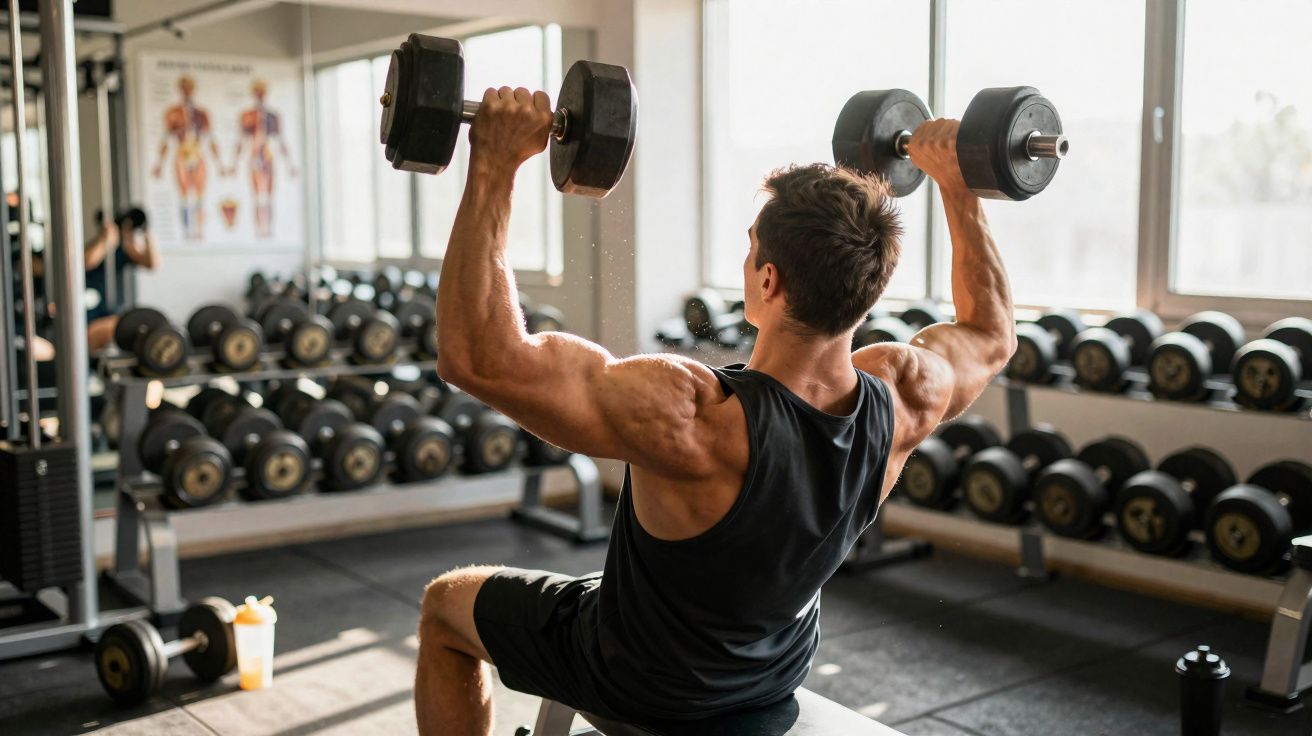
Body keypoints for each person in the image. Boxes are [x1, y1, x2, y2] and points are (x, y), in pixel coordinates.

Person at [414, 87, 1016, 735]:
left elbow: (476, 357)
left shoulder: (690, 416)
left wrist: (495, 163)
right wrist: (958, 189)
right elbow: (991, 331)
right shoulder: (904, 395)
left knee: (446, 607)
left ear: (767, 280)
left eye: (752, 247)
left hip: (642, 681)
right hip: (771, 669)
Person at [152, 75, 222, 240]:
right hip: (182, 153)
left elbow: (211, 138)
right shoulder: (173, 113)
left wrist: (220, 164)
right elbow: (165, 139)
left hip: (198, 153)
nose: (188, 92)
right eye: (185, 89)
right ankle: (186, 231)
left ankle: (198, 229)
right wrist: (159, 164)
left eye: (190, 88)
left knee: (199, 194)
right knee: (184, 195)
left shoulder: (202, 113)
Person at [226, 79, 297, 238]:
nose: (260, 95)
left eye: (262, 92)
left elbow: (281, 141)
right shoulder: (247, 115)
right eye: (257, 92)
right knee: (257, 197)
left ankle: (269, 228)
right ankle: (258, 228)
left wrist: (289, 165)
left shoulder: (273, 116)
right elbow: (241, 141)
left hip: (268, 156)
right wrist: (234, 165)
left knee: (269, 197)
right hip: (254, 156)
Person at [84, 208, 159, 352]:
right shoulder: (97, 245)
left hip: (112, 310)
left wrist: (146, 233)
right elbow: (87, 262)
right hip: (92, 313)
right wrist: (105, 240)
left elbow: (152, 264)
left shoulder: (125, 248)